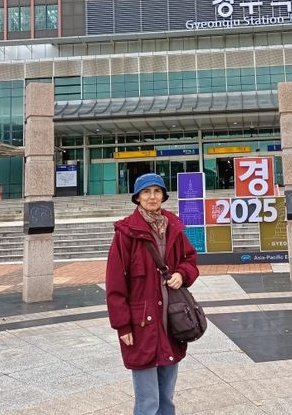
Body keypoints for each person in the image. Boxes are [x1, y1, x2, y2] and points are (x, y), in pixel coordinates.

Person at [105, 173, 199, 415]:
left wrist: (182, 274)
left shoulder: (174, 226)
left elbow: (190, 260)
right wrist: (122, 326)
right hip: (141, 324)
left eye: (157, 192)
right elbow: (115, 284)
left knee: (166, 398)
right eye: (146, 192)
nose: (152, 197)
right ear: (137, 198)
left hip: (171, 321)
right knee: (148, 401)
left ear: (163, 196)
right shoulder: (125, 233)